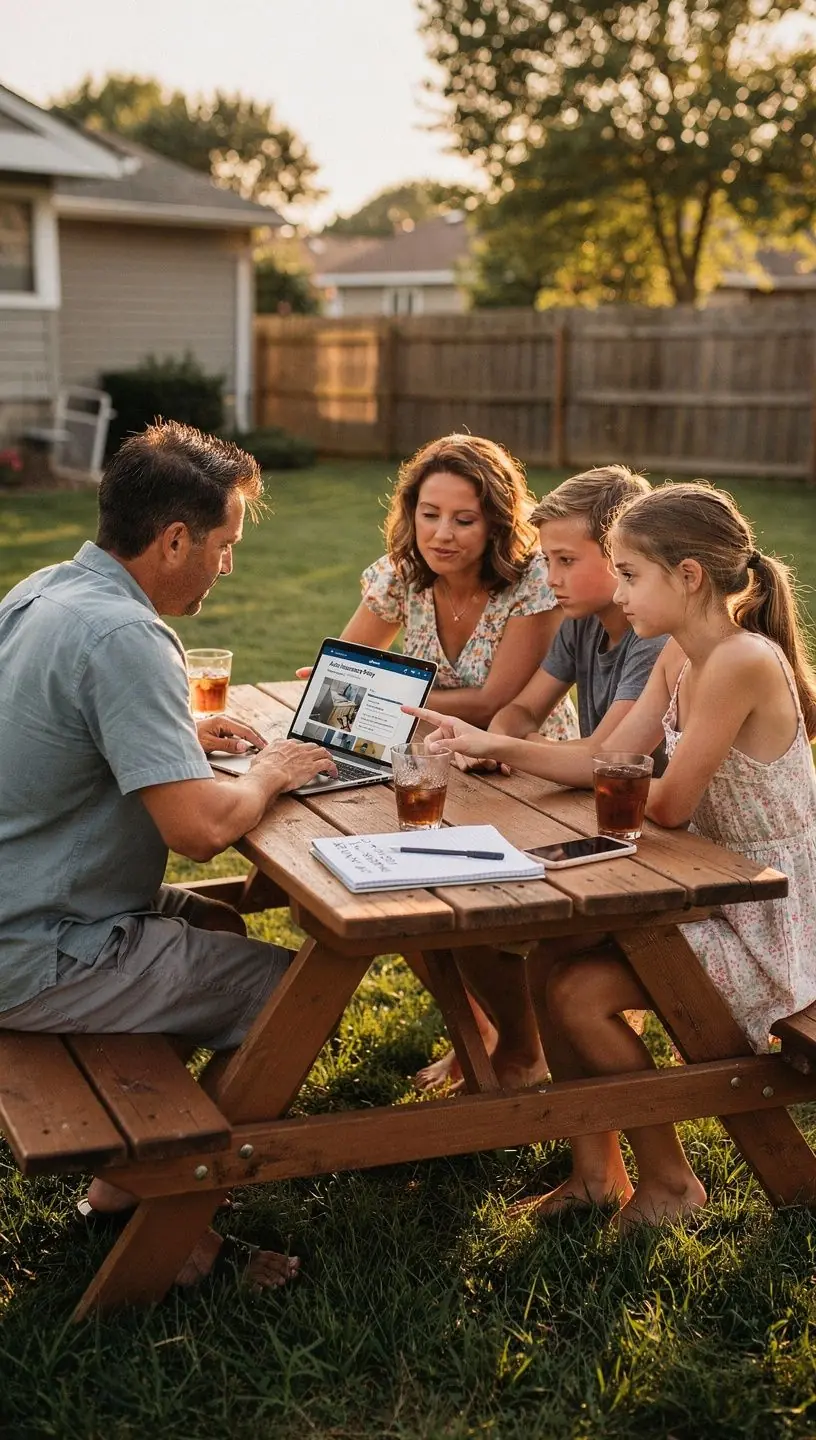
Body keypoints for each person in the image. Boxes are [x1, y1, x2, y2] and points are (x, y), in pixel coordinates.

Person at [412, 481, 816, 1227]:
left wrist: (620, 783)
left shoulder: (740, 661)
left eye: (630, 574)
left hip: (770, 917)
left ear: (688, 576)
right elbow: (606, 759)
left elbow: (668, 803)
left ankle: (670, 1184)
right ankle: (596, 1173)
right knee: (549, 955)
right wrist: (491, 741)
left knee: (579, 994)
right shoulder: (679, 656)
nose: (621, 593)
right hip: (707, 885)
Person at [0, 420, 337, 1292]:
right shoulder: (128, 636)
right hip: (38, 947)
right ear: (176, 538)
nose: (228, 568)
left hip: (22, 907)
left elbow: (53, 724)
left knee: (220, 922)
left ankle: (127, 1177)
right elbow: (197, 831)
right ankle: (172, 1228)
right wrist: (273, 770)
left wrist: (175, 726)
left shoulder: (45, 591)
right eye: (225, 546)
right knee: (293, 996)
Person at [296, 432, 577, 1089]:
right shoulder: (400, 574)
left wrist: (379, 695)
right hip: (430, 762)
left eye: (463, 519)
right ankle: (476, 1028)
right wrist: (342, 684)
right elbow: (347, 668)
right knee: (388, 890)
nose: (441, 534)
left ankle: (522, 1048)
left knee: (460, 898)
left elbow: (495, 699)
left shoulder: (530, 583)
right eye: (429, 514)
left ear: (497, 523)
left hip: (521, 767)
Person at [418, 464, 669, 1092]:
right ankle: (513, 1053)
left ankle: (526, 1065)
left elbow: (604, 755)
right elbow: (524, 709)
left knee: (486, 915)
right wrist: (504, 737)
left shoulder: (653, 640)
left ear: (622, 556)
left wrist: (498, 743)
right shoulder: (580, 621)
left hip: (658, 841)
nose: (549, 578)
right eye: (547, 561)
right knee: (445, 897)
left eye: (565, 561)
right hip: (594, 820)